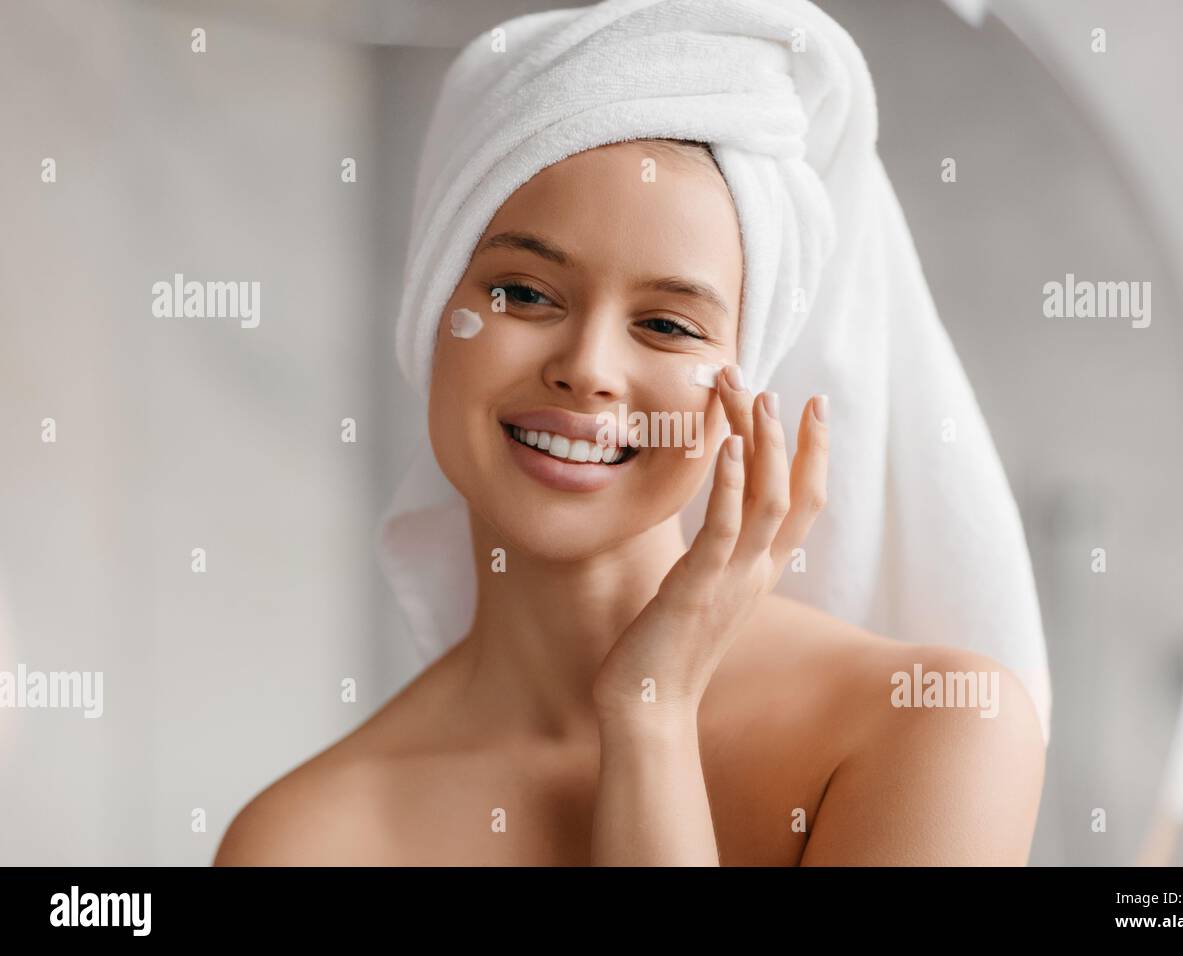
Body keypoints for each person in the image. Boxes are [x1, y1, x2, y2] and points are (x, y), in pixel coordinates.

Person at [213, 134, 1045, 866]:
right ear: (432, 316)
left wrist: (651, 717)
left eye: (670, 325)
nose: (589, 368)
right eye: (525, 294)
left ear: (748, 387)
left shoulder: (928, 731)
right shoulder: (304, 841)